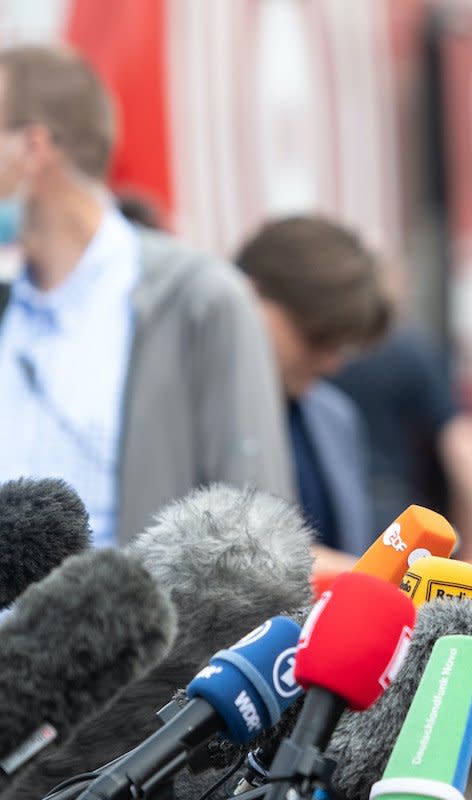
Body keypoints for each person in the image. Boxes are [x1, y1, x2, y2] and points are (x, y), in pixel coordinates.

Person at [0, 44, 293, 547]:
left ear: (34, 148)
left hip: (135, 626)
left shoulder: (199, 300)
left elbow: (256, 538)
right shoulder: (11, 305)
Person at [234, 215, 391, 575]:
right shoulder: (202, 413)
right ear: (251, 295)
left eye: (340, 346)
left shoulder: (334, 416)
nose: (331, 364)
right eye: (317, 339)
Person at [332, 299, 472, 567]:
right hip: (397, 524)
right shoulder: (407, 348)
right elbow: (465, 441)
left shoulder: (309, 348)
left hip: (328, 521)